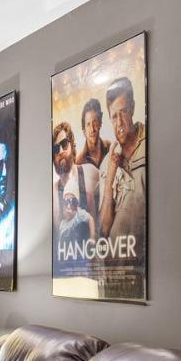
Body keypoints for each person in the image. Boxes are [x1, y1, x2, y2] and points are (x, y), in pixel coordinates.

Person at [98, 78, 146, 252]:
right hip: (115, 274)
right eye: (114, 117)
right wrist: (110, 176)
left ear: (132, 108)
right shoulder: (106, 165)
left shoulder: (151, 146)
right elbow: (103, 229)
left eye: (123, 112)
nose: (119, 123)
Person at [52, 120, 100, 246]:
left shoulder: (91, 173)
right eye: (56, 148)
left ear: (72, 145)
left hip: (92, 261)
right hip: (67, 263)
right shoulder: (53, 194)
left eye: (64, 144)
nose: (61, 151)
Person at [77, 99, 110, 171]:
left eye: (94, 122)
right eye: (88, 124)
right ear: (84, 130)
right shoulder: (79, 162)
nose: (92, 129)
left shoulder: (110, 148)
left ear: (100, 122)